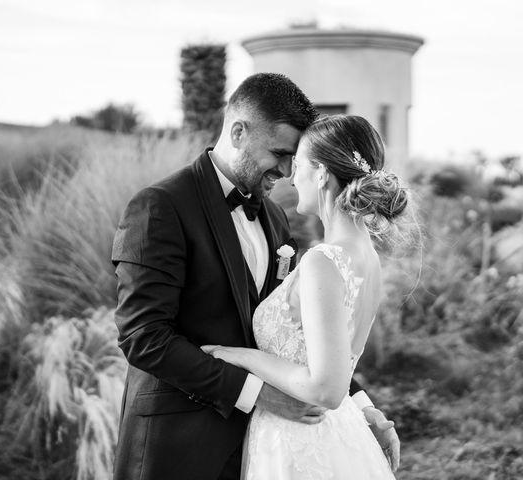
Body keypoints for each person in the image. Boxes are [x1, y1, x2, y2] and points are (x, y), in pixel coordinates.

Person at [111, 74, 399, 480]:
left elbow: (302, 339)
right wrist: (258, 394)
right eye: (280, 152)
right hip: (178, 448)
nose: (285, 169)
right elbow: (143, 337)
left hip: (265, 451)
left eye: (294, 158)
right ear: (239, 132)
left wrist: (361, 407)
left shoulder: (276, 218)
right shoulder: (160, 207)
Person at [201, 114, 409, 479]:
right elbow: (336, 362)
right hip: (336, 431)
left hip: (300, 441)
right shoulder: (367, 256)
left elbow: (326, 388)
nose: (291, 176)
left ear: (323, 174)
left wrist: (238, 355)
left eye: (298, 166)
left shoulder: (323, 261)